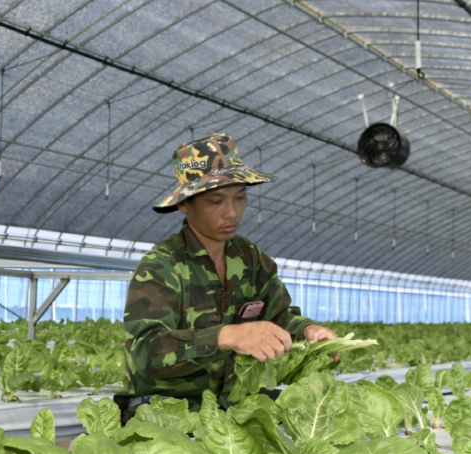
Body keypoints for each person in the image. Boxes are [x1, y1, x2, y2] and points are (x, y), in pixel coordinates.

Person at [122, 132, 336, 410]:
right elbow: (145, 353)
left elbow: (279, 316)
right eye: (216, 201)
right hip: (171, 412)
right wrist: (226, 336)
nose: (232, 212)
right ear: (184, 205)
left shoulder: (251, 258)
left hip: (234, 404)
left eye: (240, 198)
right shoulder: (163, 264)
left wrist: (308, 331)